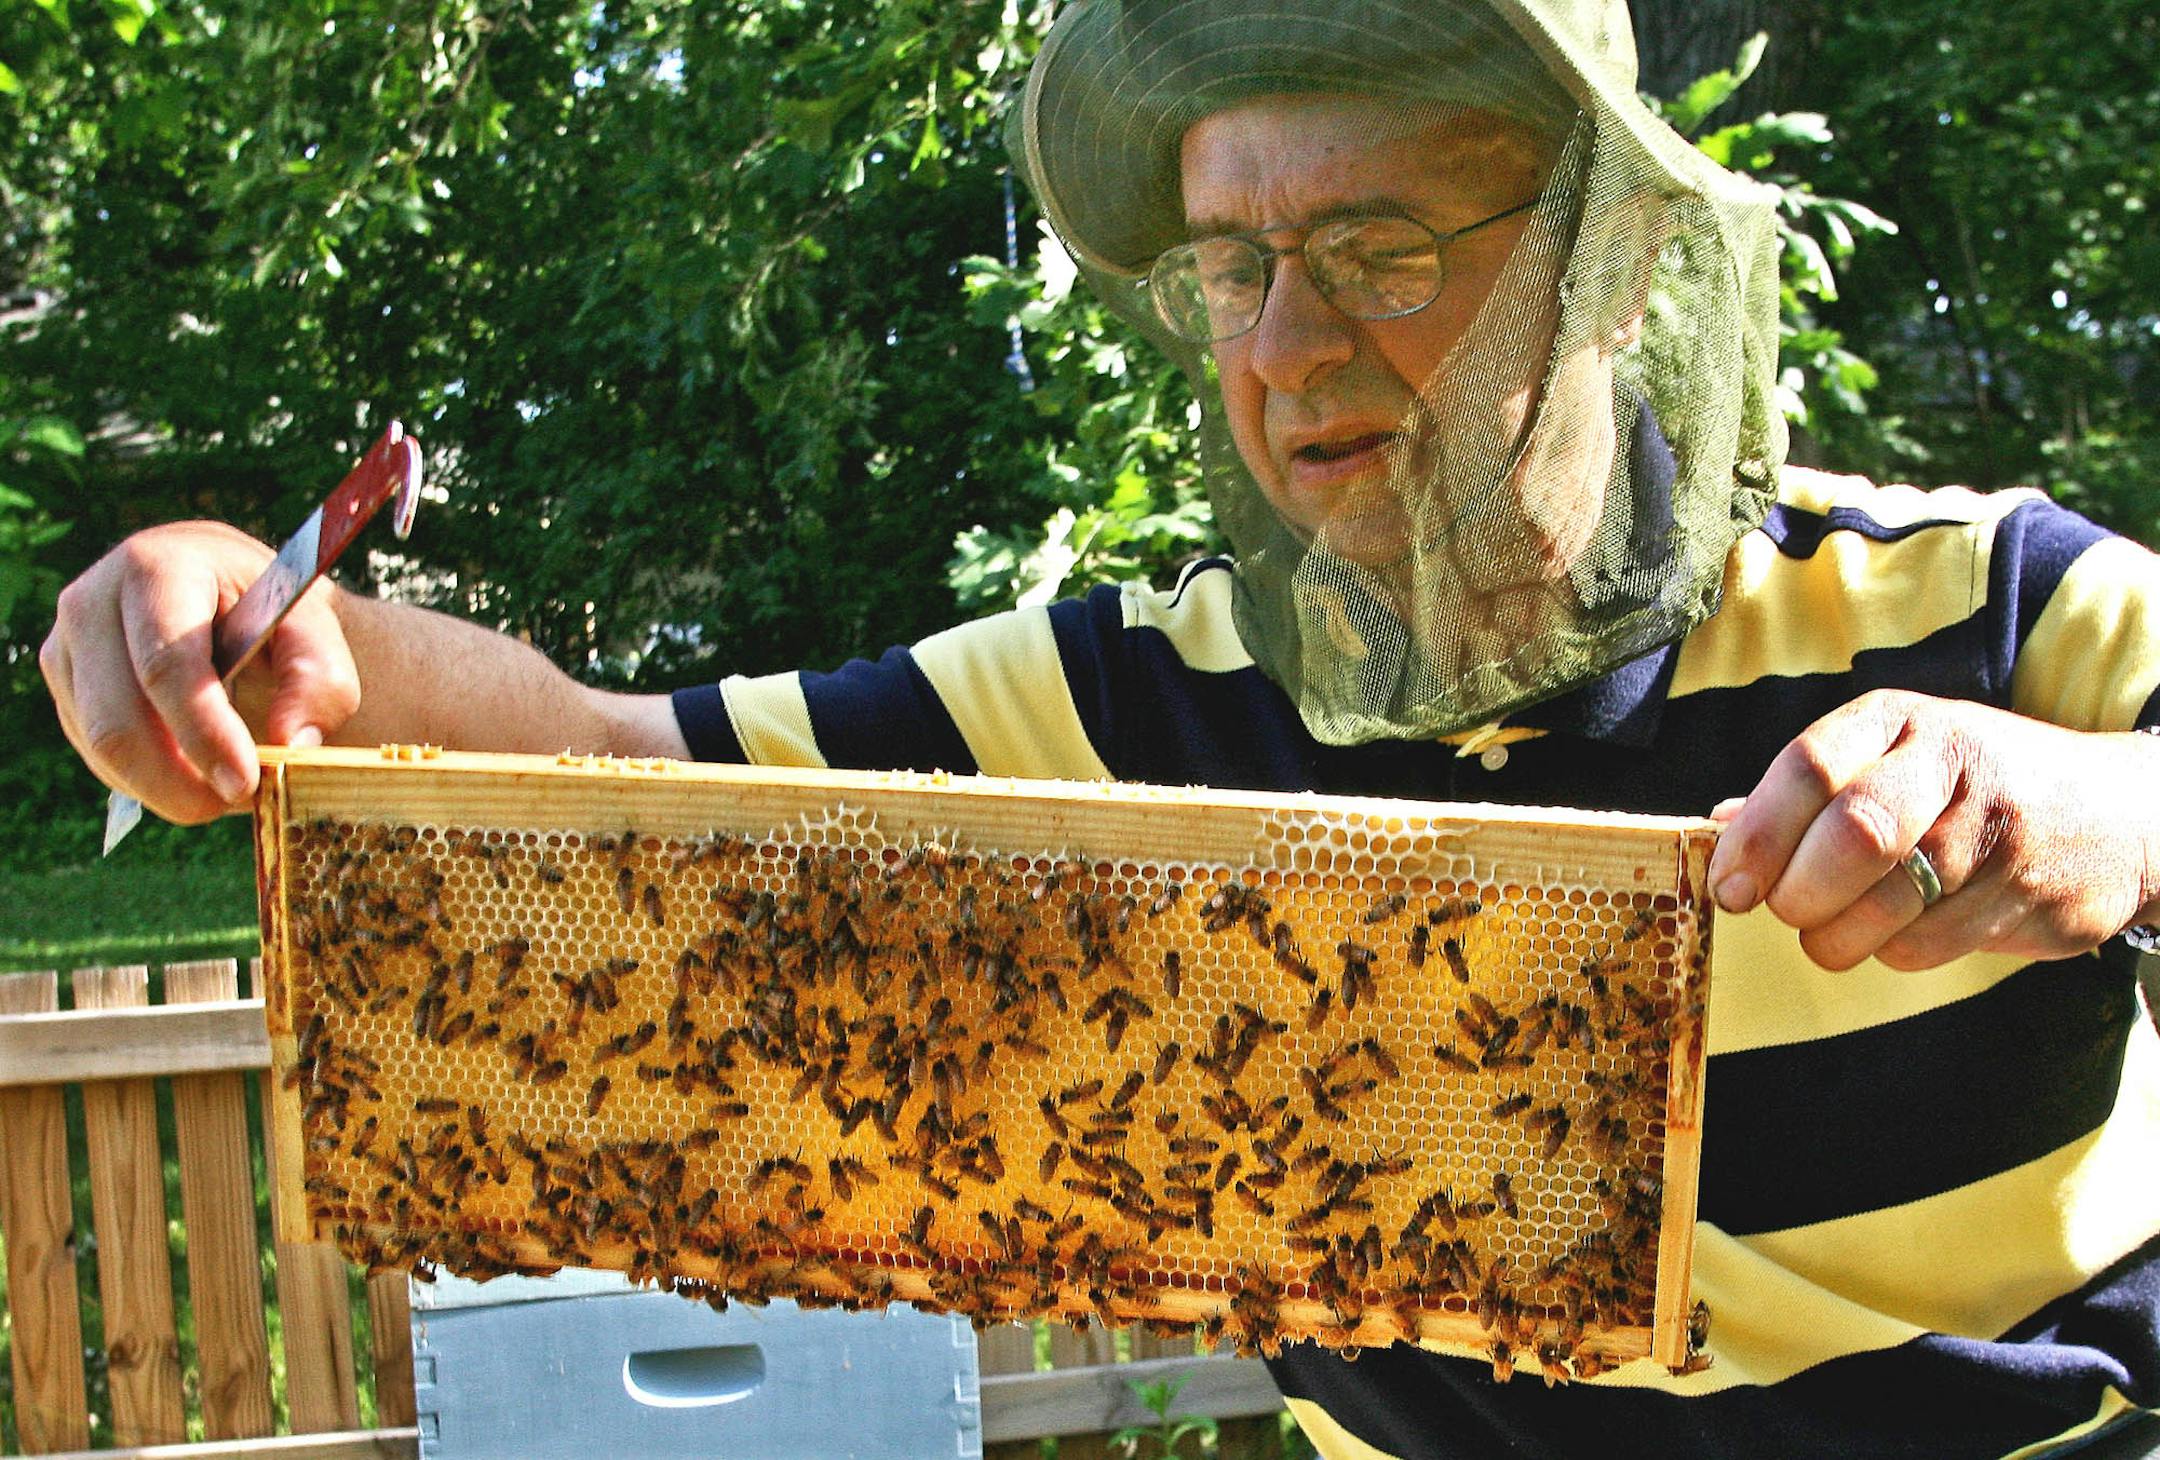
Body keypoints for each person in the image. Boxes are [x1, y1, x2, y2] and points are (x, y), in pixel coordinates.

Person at [39, 0, 2160, 1454]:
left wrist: (2109, 800)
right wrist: (282, 625)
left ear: (1604, 268)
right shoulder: (1140, 701)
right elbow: (618, 781)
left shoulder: (1985, 605)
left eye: (1378, 244)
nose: (1289, 343)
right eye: (1235, 265)